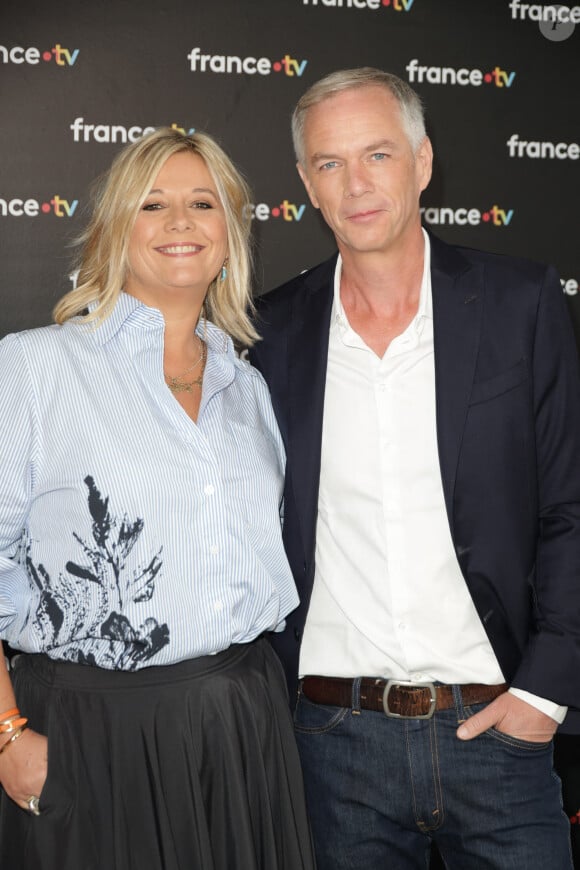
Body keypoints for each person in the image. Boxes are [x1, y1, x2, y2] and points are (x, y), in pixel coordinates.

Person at [248, 67, 580, 869]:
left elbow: (569, 506)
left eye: (378, 155)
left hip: (499, 731)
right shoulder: (269, 333)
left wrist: (544, 693)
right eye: (330, 164)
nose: (356, 184)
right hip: (334, 748)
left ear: (423, 163)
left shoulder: (520, 303)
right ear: (306, 185)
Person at [0, 128, 316, 870]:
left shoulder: (251, 387)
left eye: (203, 203)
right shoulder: (34, 371)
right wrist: (8, 734)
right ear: (116, 227)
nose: (180, 222)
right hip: (89, 732)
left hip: (244, 727)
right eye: (153, 204)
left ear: (231, 231)